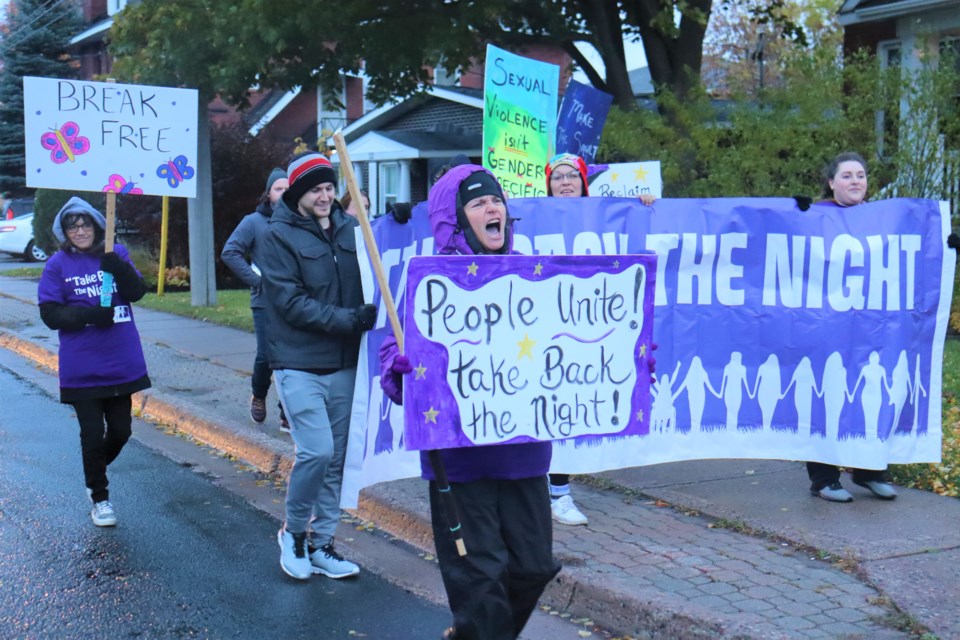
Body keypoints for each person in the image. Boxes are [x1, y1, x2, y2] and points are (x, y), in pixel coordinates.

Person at [380, 165, 561, 640]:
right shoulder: (431, 281)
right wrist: (399, 370)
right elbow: (394, 358)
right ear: (455, 219)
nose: (492, 208)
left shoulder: (535, 277)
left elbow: (571, 344)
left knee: (534, 567)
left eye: (496, 200)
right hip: (458, 462)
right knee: (480, 580)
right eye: (478, 203)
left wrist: (625, 358)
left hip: (523, 455)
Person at [258, 151, 379, 580]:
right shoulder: (277, 237)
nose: (326, 196)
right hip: (298, 364)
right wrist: (349, 320)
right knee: (318, 451)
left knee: (339, 461)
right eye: (317, 190)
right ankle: (292, 533)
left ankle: (323, 543)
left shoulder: (351, 228)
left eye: (329, 188)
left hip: (345, 364)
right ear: (298, 195)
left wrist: (399, 220)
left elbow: (384, 256)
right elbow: (290, 303)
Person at [37, 197, 151, 527]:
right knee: (91, 433)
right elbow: (50, 313)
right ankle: (99, 496)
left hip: (120, 360)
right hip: (82, 366)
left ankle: (94, 469)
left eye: (86, 224)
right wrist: (89, 315)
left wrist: (120, 267)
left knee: (120, 431)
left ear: (97, 226)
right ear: (65, 232)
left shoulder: (114, 254)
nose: (81, 230)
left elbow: (136, 292)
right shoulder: (57, 264)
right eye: (73, 226)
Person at [805, 151, 897, 503]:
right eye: (846, 175)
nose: (855, 181)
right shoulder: (815, 217)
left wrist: (948, 248)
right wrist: (790, 213)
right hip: (825, 326)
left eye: (861, 175)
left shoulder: (882, 220)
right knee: (827, 395)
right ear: (831, 182)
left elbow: (915, 249)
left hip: (869, 328)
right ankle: (824, 479)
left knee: (869, 396)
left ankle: (870, 471)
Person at [221, 168, 290, 432]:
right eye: (278, 189)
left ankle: (288, 413)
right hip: (265, 300)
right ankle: (259, 393)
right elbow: (230, 252)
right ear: (268, 193)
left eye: (287, 188)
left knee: (292, 357)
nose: (283, 193)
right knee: (267, 355)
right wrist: (256, 280)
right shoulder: (254, 222)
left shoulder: (300, 220)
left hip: (294, 299)